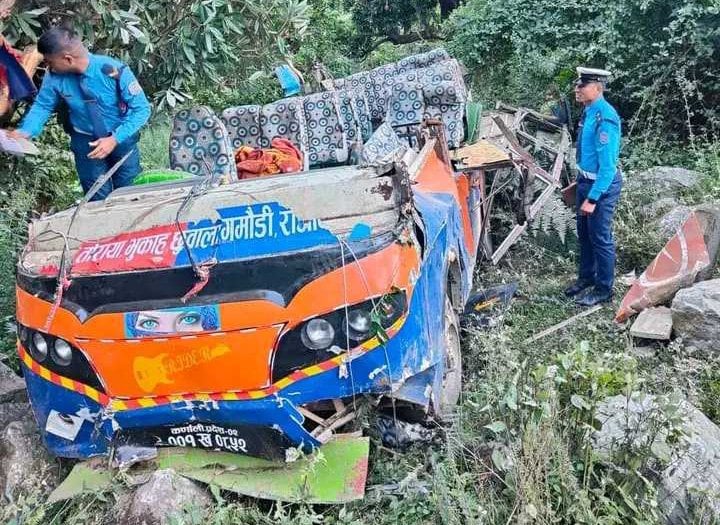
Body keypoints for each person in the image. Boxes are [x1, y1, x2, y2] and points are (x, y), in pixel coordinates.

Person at [9, 27, 151, 200]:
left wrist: (114, 139)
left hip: (122, 138)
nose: (47, 66)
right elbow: (43, 106)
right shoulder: (54, 77)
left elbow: (142, 109)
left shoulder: (112, 70)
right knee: (95, 199)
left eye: (49, 62)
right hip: (86, 144)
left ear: (67, 59)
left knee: (130, 195)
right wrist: (25, 131)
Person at [563, 67, 622, 307]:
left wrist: (593, 197)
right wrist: (580, 184)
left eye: (582, 85)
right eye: (577, 85)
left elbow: (607, 167)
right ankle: (586, 278)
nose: (577, 89)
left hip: (602, 186)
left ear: (597, 87)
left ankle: (604, 288)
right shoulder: (589, 112)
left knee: (600, 238)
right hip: (586, 181)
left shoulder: (605, 118)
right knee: (585, 236)